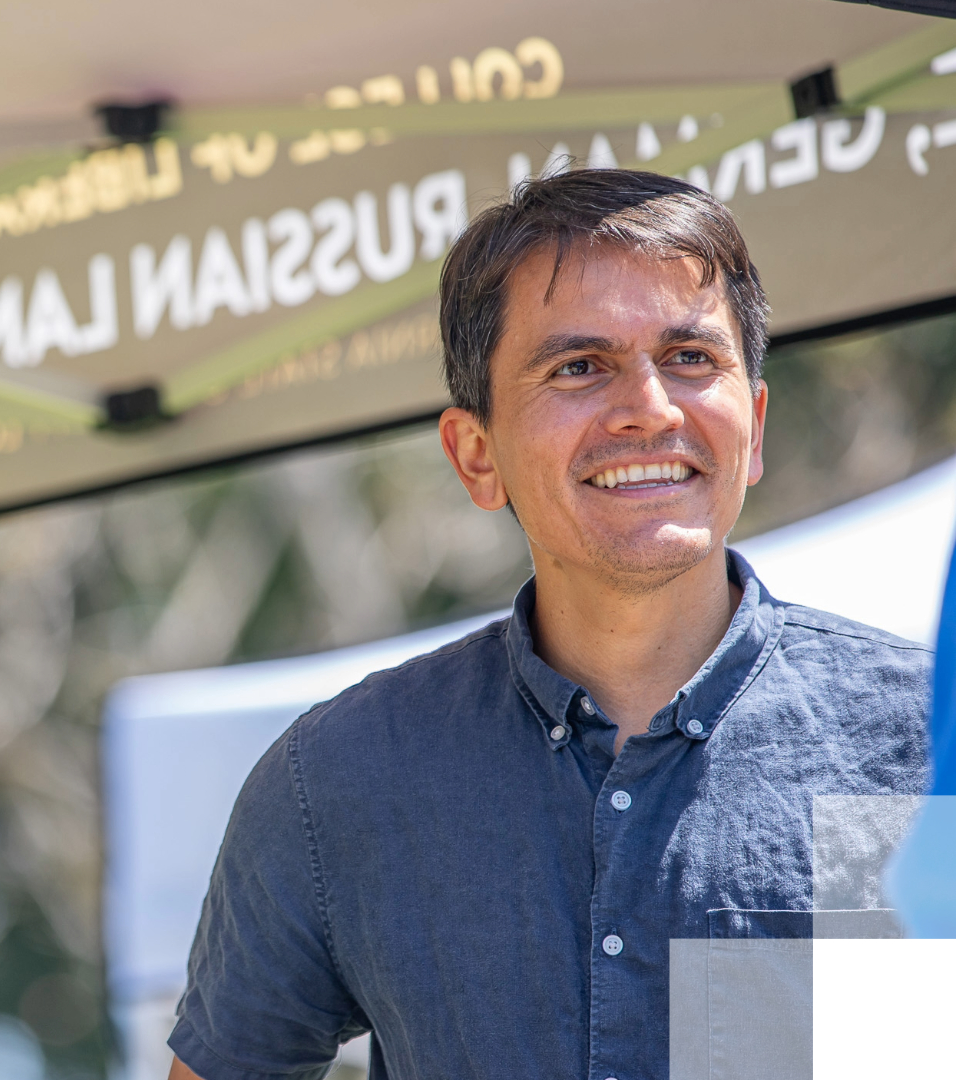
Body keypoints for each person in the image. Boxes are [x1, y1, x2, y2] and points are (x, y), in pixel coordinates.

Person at [167, 169, 930, 1080]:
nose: (649, 408)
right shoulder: (337, 782)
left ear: (755, 426)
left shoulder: (922, 742)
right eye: (580, 366)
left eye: (691, 358)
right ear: (475, 454)